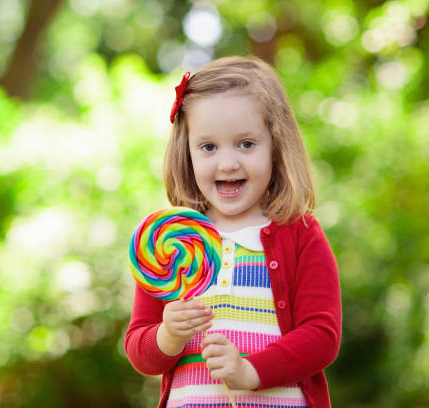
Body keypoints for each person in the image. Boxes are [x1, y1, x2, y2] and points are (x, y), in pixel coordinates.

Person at [124, 56, 342, 408]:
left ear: (276, 146)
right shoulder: (170, 241)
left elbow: (321, 335)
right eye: (208, 147)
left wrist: (250, 371)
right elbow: (138, 348)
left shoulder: (299, 233)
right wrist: (169, 334)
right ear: (188, 152)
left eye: (246, 144)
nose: (227, 163)